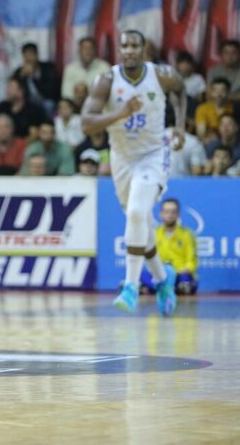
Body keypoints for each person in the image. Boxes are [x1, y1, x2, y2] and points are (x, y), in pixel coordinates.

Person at [81, 29, 186, 316]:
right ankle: (164, 279)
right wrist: (120, 113)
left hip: (153, 154)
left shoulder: (161, 74)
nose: (128, 50)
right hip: (122, 159)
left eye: (134, 46)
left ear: (143, 49)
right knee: (141, 224)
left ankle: (130, 285)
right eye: (123, 46)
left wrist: (180, 125)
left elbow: (180, 88)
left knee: (138, 214)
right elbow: (87, 124)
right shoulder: (106, 80)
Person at [140, 198, 198, 295]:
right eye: (166, 212)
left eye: (173, 212)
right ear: (161, 214)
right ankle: (165, 288)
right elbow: (149, 259)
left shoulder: (187, 235)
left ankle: (161, 288)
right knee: (142, 275)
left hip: (179, 274)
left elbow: (191, 261)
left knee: (186, 279)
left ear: (178, 215)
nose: (169, 215)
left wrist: (179, 271)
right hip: (159, 275)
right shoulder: (154, 234)